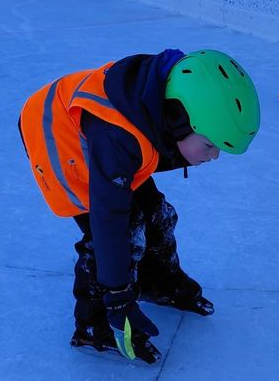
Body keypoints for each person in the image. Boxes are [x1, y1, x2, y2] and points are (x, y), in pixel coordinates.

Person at [19, 48, 260, 364]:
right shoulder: (121, 139)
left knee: (155, 213)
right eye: (209, 145)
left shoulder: (165, 100)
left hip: (95, 130)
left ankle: (158, 284)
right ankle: (93, 322)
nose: (213, 156)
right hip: (56, 135)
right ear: (179, 120)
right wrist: (118, 299)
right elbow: (109, 220)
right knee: (115, 230)